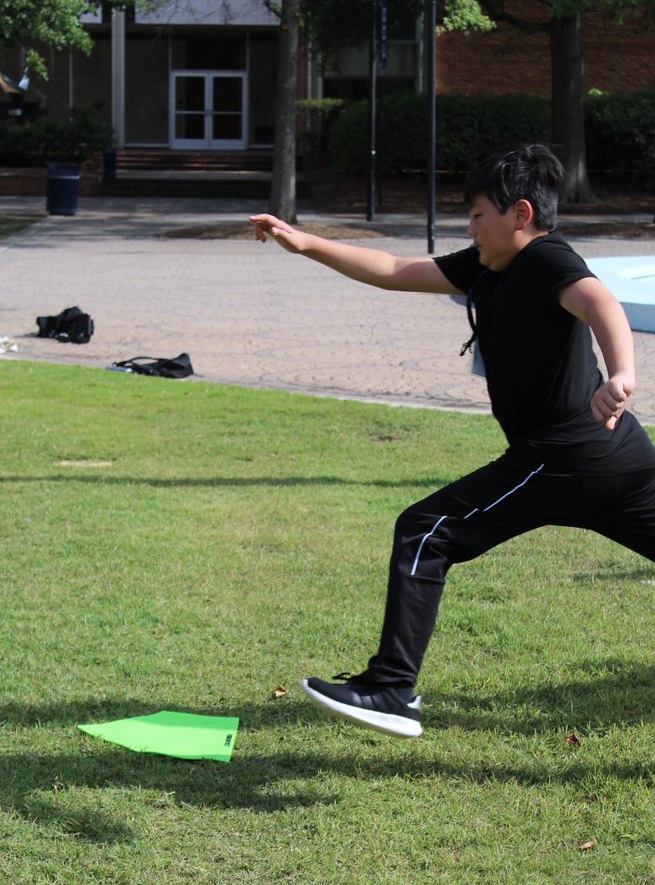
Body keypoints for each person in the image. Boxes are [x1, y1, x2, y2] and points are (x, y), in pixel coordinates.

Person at [250, 143, 655, 739]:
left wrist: (622, 373)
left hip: (567, 453)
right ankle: (388, 687)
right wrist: (304, 242)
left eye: (477, 217)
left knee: (426, 530)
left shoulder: (545, 259)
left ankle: (390, 688)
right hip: (618, 456)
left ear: (521, 215)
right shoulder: (491, 266)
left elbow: (600, 301)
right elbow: (394, 271)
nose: (471, 229)